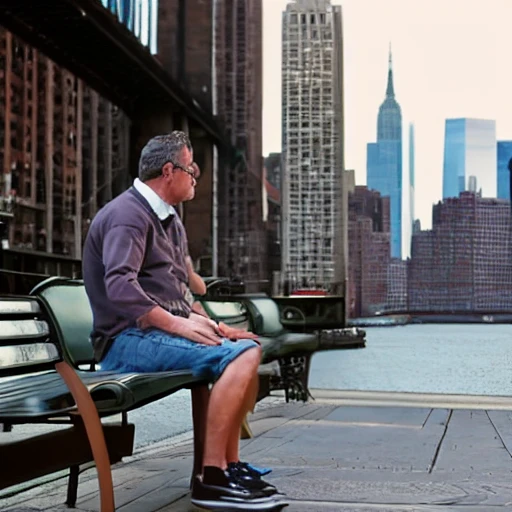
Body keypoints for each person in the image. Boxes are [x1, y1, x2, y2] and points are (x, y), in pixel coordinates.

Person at [82, 131, 285, 510]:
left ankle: (229, 466)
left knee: (246, 347)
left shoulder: (170, 220)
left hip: (152, 333)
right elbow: (119, 287)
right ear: (169, 170)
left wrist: (214, 326)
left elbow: (180, 292)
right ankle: (212, 479)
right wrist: (178, 325)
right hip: (124, 341)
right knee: (236, 358)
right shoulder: (128, 215)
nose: (195, 177)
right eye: (191, 169)